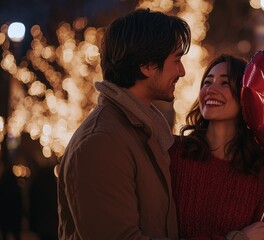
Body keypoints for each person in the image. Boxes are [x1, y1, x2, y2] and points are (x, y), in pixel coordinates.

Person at [57, 9, 191, 239]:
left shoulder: (141, 131)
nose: (182, 71)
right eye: (176, 60)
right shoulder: (101, 142)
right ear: (147, 66)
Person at [169, 54, 264, 240]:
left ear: (243, 95)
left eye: (224, 83)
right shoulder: (175, 153)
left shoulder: (263, 171)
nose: (211, 90)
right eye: (207, 82)